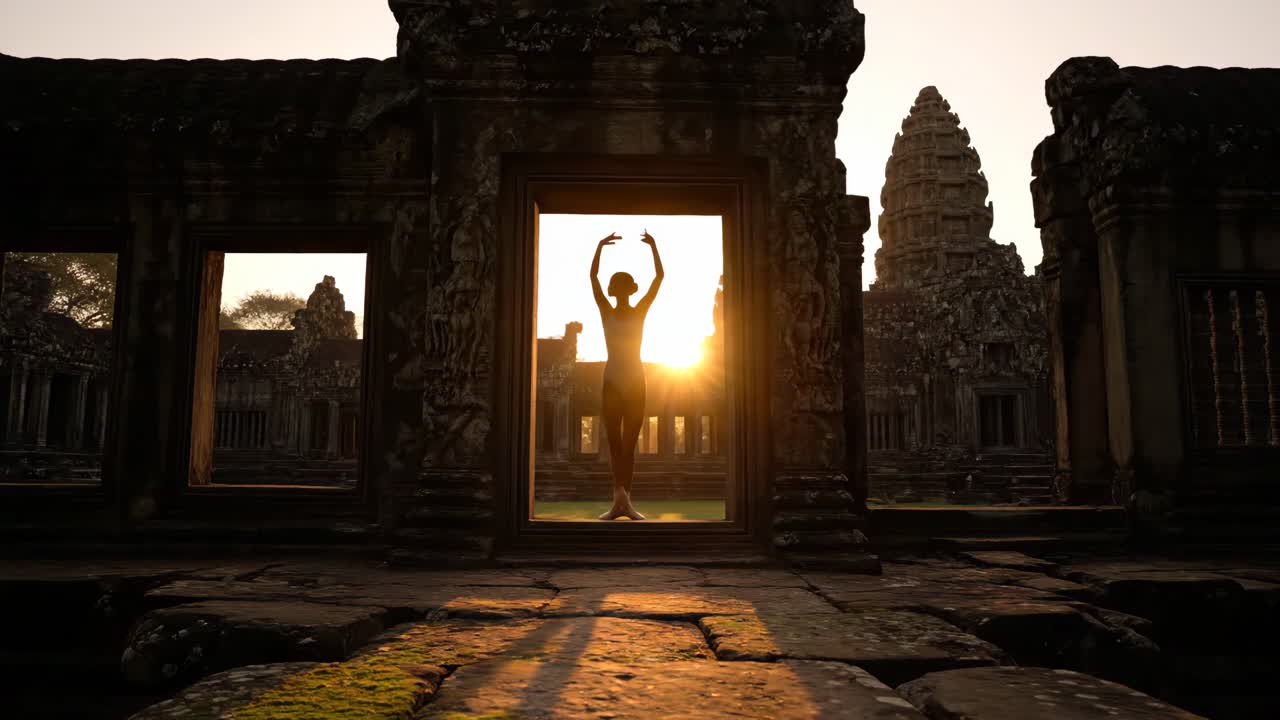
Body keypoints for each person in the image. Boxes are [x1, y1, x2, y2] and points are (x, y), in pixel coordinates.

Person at [590, 229, 663, 520]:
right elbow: (593, 278)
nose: (619, 290)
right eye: (616, 286)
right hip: (612, 381)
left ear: (631, 290)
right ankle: (617, 501)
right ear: (612, 291)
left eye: (624, 286)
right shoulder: (606, 310)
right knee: (614, 443)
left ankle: (625, 502)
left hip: (635, 381)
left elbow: (658, 280)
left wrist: (654, 248)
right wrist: (598, 247)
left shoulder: (640, 311)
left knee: (629, 445)